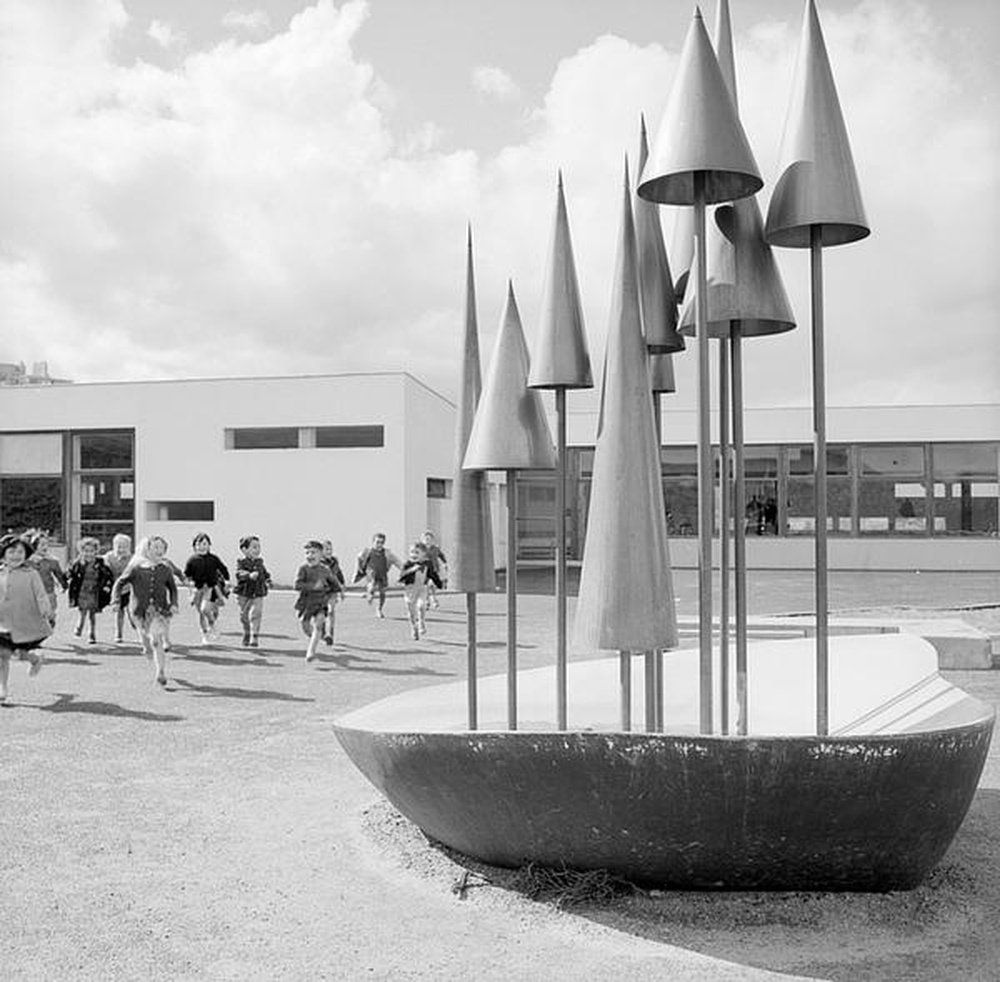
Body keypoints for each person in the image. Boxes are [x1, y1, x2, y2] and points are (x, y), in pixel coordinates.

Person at [111, 536, 178, 687]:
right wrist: (115, 601)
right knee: (145, 640)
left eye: (162, 548)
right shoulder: (136, 568)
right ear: (147, 550)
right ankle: (145, 646)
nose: (159, 550)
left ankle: (160, 672)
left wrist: (174, 603)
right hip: (139, 611)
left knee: (156, 640)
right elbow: (120, 583)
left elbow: (173, 588)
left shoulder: (165, 569)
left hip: (159, 611)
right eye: (155, 547)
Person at [0, 533, 53, 704]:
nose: (16, 555)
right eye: (11, 552)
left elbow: (40, 594)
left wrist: (45, 609)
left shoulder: (31, 573)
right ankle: (2, 688)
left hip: (24, 621)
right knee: (2, 655)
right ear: (3, 554)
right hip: (2, 622)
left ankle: (35, 659)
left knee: (18, 653)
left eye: (20, 552)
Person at [295, 540, 342, 662]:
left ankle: (311, 651)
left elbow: (334, 583)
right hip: (306, 603)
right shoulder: (303, 569)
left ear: (321, 554)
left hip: (320, 602)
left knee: (318, 624)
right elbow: (297, 585)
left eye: (313, 552)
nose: (310, 555)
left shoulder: (325, 570)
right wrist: (312, 586)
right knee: (305, 626)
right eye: (307, 553)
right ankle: (320, 638)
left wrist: (336, 592)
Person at [183, 533, 230, 645]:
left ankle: (212, 624)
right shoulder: (192, 560)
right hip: (198, 590)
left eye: (205, 543)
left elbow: (224, 569)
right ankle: (205, 634)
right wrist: (190, 586)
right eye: (199, 544)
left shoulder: (213, 559)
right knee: (202, 611)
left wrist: (227, 582)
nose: (202, 546)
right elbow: (186, 575)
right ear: (194, 546)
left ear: (209, 545)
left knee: (213, 611)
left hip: (212, 589)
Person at [67, 536, 114, 644]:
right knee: (82, 611)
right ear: (81, 551)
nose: (89, 553)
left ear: (96, 551)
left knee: (92, 614)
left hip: (94, 592)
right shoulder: (78, 563)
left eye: (92, 551)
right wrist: (66, 579)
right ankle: (80, 624)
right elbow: (70, 572)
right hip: (82, 591)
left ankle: (92, 634)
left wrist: (107, 586)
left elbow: (108, 575)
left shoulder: (100, 563)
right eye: (86, 551)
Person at [398, 541, 443, 640]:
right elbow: (401, 577)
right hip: (410, 589)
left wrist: (439, 584)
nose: (413, 554)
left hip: (422, 587)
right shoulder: (408, 564)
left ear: (424, 554)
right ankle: (413, 627)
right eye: (412, 552)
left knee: (421, 605)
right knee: (411, 610)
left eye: (417, 552)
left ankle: (421, 622)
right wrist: (412, 570)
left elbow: (433, 574)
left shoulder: (428, 564)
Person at [234, 535, 271, 648]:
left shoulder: (260, 562)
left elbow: (264, 573)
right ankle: (247, 632)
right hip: (244, 593)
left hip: (258, 592)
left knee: (256, 613)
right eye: (254, 547)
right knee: (244, 616)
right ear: (244, 550)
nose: (257, 550)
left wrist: (268, 579)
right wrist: (249, 575)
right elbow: (239, 573)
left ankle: (254, 637)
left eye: (259, 547)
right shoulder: (241, 562)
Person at [355, 532, 401, 619]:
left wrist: (403, 570)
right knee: (371, 584)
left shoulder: (387, 553)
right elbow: (358, 557)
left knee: (382, 593)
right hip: (371, 572)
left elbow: (397, 561)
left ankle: (379, 609)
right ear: (373, 542)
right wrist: (358, 570)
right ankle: (370, 593)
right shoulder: (368, 551)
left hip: (382, 574)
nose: (379, 544)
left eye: (382, 542)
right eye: (377, 542)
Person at [27, 530, 67, 625]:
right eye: (42, 544)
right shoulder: (28, 561)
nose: (45, 547)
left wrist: (64, 584)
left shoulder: (52, 560)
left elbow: (59, 574)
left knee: (50, 613)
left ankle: (50, 620)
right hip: (33, 593)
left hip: (48, 591)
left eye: (46, 544)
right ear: (34, 545)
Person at [104, 533, 136, 644]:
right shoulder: (109, 557)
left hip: (130, 588)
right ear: (114, 546)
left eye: (124, 547)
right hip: (116, 590)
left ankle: (137, 628)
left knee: (132, 612)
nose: (121, 549)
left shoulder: (132, 559)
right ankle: (118, 634)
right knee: (119, 610)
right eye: (119, 546)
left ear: (129, 547)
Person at [320, 540, 345, 646]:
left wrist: (342, 586)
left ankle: (330, 635)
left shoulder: (335, 561)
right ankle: (323, 633)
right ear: (321, 551)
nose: (329, 551)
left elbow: (339, 573)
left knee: (331, 611)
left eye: (330, 549)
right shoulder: (318, 563)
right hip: (321, 592)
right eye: (327, 549)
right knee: (321, 614)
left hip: (333, 590)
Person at [420, 530, 447, 610]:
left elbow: (441, 556)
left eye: (429, 539)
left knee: (432, 585)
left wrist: (445, 563)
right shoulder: (421, 549)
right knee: (426, 587)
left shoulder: (436, 548)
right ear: (422, 540)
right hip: (424, 570)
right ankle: (429, 601)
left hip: (434, 569)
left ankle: (433, 599)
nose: (427, 541)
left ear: (432, 540)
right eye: (426, 539)